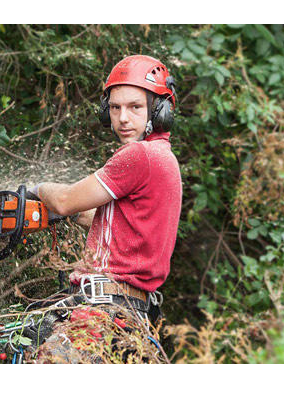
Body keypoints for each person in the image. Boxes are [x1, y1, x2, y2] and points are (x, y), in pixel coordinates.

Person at [24, 55, 183, 363]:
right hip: (129, 315)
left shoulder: (139, 156)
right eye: (115, 107)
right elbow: (103, 219)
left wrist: (35, 188)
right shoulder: (163, 158)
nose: (123, 118)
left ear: (160, 110)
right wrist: (63, 212)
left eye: (135, 107)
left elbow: (65, 200)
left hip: (102, 313)